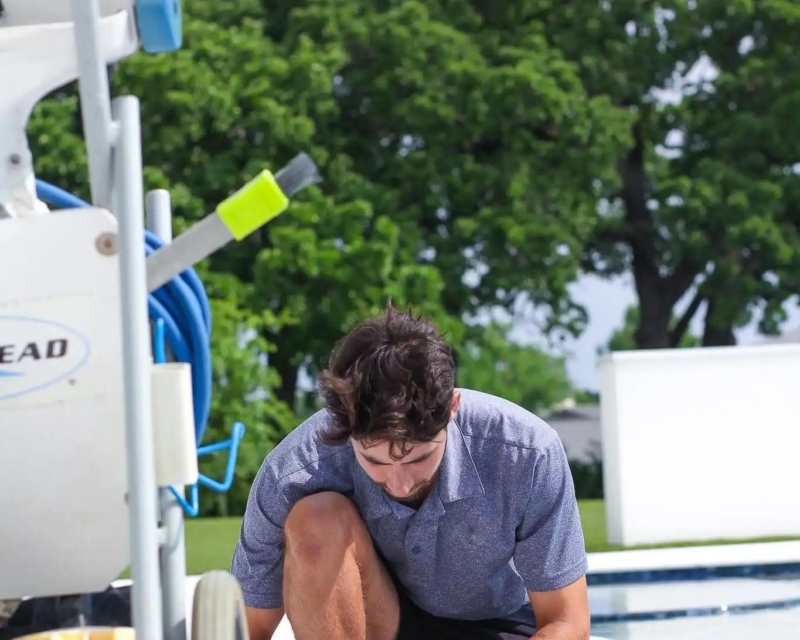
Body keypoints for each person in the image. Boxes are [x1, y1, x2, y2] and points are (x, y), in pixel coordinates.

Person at [231, 304, 591, 640]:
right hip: (381, 621)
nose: (399, 484)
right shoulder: (292, 472)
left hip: (501, 626)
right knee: (316, 517)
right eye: (375, 462)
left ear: (452, 408)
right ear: (344, 428)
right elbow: (248, 629)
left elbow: (567, 620)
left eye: (418, 458)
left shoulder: (527, 452)